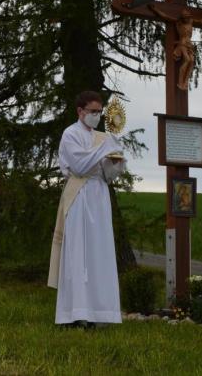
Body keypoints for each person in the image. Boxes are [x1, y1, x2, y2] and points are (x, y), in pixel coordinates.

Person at [48, 90, 127, 328]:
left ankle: (99, 312)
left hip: (99, 195)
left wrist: (115, 162)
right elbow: (80, 166)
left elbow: (107, 174)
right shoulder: (70, 134)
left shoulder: (102, 137)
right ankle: (75, 313)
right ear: (80, 111)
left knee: (98, 253)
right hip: (79, 194)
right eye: (92, 111)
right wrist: (106, 148)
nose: (96, 116)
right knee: (78, 252)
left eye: (99, 112)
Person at [148, 4, 202, 90]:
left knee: (192, 61)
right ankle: (180, 82)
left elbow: (201, 21)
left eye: (188, 17)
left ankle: (185, 81)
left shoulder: (191, 22)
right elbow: (166, 16)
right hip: (182, 44)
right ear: (182, 18)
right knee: (187, 60)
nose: (187, 19)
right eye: (185, 17)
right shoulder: (178, 23)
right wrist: (156, 10)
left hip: (189, 44)